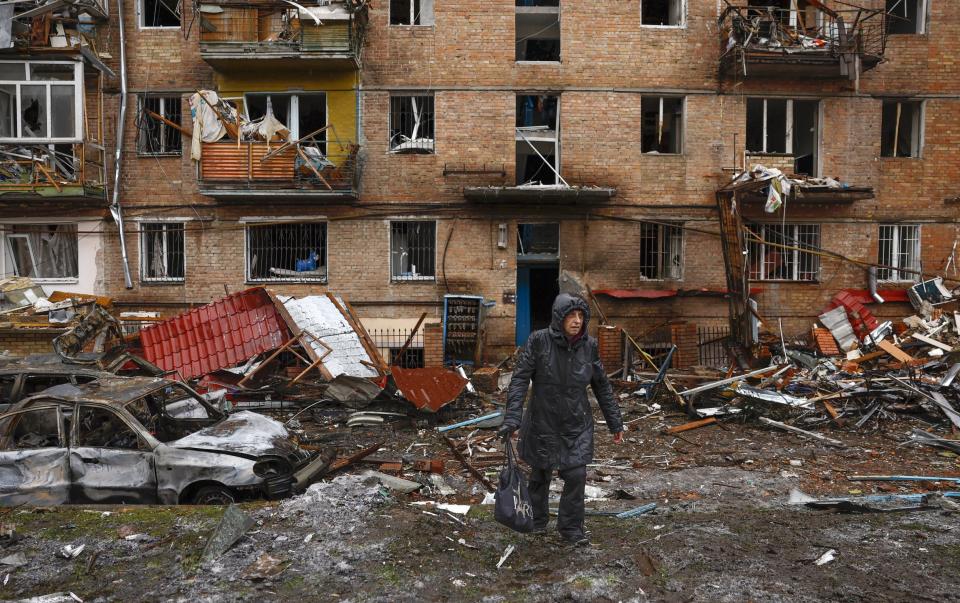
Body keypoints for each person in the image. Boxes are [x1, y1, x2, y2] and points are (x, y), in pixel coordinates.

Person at [499, 293, 624, 546]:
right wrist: (512, 418)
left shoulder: (589, 346)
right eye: (572, 315)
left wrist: (615, 423)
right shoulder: (538, 341)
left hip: (575, 425)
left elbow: (602, 386)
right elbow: (520, 379)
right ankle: (536, 520)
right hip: (541, 421)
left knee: (577, 475)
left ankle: (571, 530)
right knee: (540, 474)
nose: (577, 321)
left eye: (581, 316)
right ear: (559, 317)